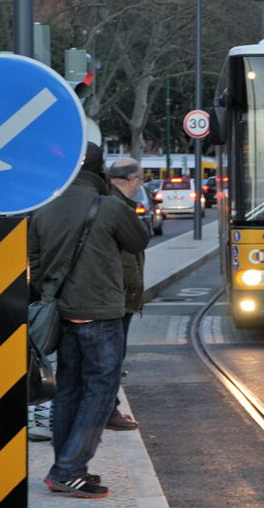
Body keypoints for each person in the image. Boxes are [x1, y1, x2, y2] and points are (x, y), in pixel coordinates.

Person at [29, 143, 150, 499]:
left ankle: (66, 467)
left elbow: (34, 261)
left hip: (62, 313)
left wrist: (53, 293)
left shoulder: (44, 207)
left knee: (68, 389)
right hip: (100, 315)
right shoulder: (109, 205)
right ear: (101, 173)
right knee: (100, 391)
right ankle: (68, 470)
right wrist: (115, 194)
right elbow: (139, 239)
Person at [106, 158, 148, 430]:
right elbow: (126, 257)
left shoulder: (116, 203)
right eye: (141, 179)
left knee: (110, 358)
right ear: (132, 180)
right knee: (110, 358)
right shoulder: (116, 207)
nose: (141, 184)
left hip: (118, 295)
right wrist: (131, 293)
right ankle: (108, 410)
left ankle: (108, 408)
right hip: (116, 298)